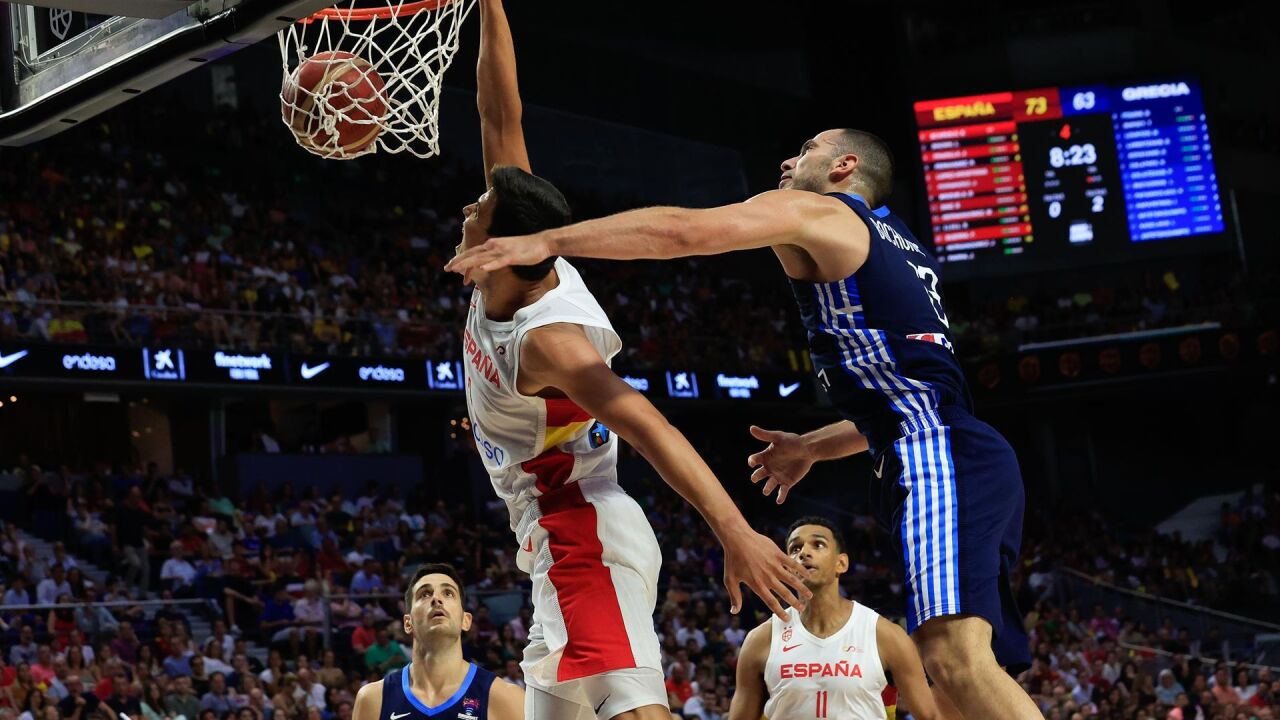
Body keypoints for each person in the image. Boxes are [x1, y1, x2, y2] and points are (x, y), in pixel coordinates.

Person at [447, 128, 1037, 719]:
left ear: (844, 167)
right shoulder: (900, 244)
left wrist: (546, 240)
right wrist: (814, 446)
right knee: (951, 675)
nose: (788, 158)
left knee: (953, 658)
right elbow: (912, 401)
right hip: (952, 449)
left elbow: (684, 233)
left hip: (939, 455)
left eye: (807, 150)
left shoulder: (823, 212)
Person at [450, 1, 810, 719]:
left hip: (582, 534)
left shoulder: (551, 340)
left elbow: (650, 426)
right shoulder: (520, 251)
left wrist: (735, 531)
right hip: (550, 539)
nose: (469, 209)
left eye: (479, 211)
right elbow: (500, 113)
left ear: (506, 250)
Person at [729, 517, 953, 720]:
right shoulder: (761, 640)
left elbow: (930, 716)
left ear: (841, 563)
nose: (804, 553)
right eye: (795, 548)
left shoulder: (884, 634)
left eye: (818, 544)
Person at [352, 564, 521, 720]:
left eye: (448, 593)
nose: (436, 599)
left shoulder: (506, 698)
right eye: (425, 594)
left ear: (466, 620)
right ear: (408, 623)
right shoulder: (373, 699)